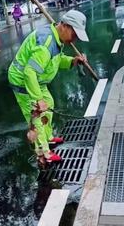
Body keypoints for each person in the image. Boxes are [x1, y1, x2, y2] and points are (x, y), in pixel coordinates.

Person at [8, 10, 88, 163]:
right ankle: (44, 153)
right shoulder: (46, 44)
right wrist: (38, 99)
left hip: (38, 80)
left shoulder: (56, 38)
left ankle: (49, 137)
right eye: (75, 34)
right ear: (64, 26)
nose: (75, 40)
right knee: (36, 115)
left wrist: (73, 61)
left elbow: (56, 60)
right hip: (23, 81)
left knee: (49, 104)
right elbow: (29, 72)